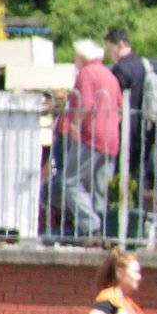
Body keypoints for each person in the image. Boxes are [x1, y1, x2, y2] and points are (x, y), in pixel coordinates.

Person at [46, 39, 122, 236]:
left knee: (71, 182)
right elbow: (120, 107)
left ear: (82, 56)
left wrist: (75, 124)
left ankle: (91, 226)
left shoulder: (87, 73)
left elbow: (85, 104)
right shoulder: (109, 74)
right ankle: (102, 232)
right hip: (111, 138)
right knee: (98, 188)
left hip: (90, 136)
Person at [103, 28, 147, 179]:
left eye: (110, 49)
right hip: (140, 126)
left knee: (120, 173)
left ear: (120, 45)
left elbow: (114, 99)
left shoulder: (121, 68)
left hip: (125, 128)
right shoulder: (140, 63)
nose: (110, 54)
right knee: (135, 173)